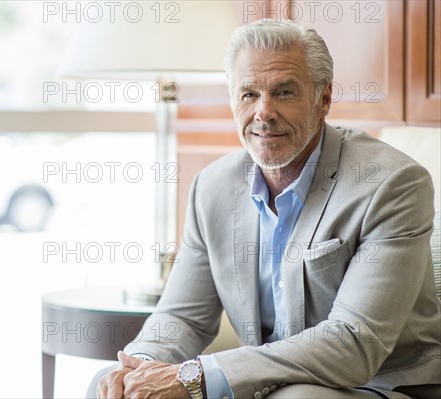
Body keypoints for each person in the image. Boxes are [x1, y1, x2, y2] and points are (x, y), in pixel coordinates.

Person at [89, 20, 441, 399]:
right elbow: (182, 316)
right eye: (248, 94)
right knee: (107, 386)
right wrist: (139, 367)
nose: (264, 112)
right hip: (267, 383)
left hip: (382, 386)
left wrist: (196, 377)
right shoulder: (212, 188)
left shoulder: (391, 184)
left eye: (285, 92)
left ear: (323, 99)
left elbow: (353, 343)